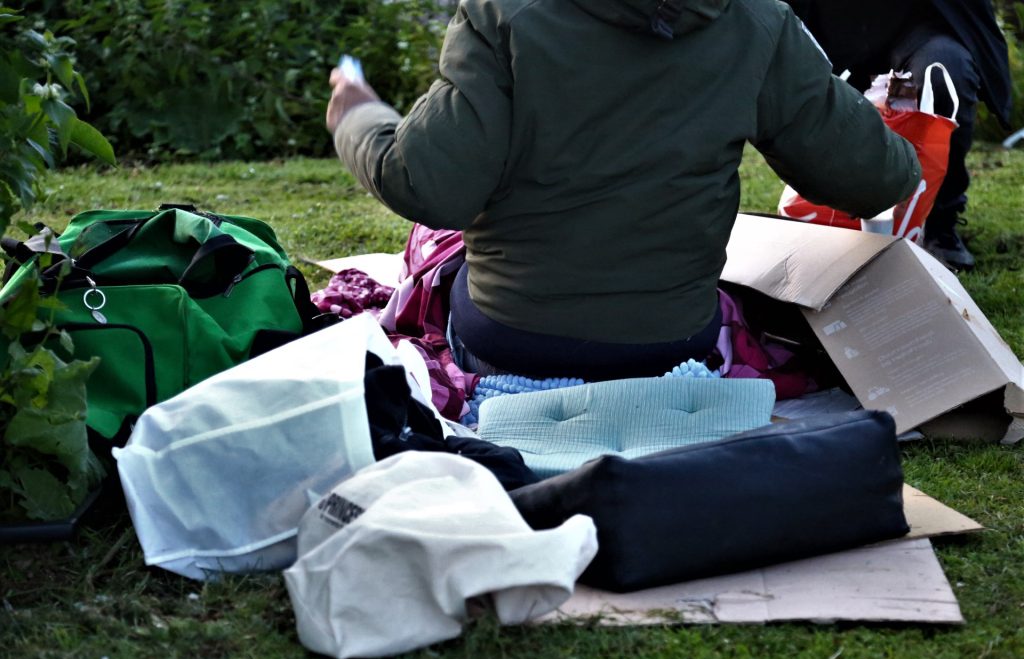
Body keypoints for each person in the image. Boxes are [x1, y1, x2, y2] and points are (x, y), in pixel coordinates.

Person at [326, 0, 921, 381]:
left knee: (436, 247)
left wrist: (357, 115)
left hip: (511, 342)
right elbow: (879, 180)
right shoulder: (759, 22)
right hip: (673, 348)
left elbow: (425, 185)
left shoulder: (503, 13)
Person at [783, 0, 1014, 271]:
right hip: (833, 25)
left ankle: (941, 221)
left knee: (947, 74)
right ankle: (830, 217)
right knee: (805, 88)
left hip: (921, 27)